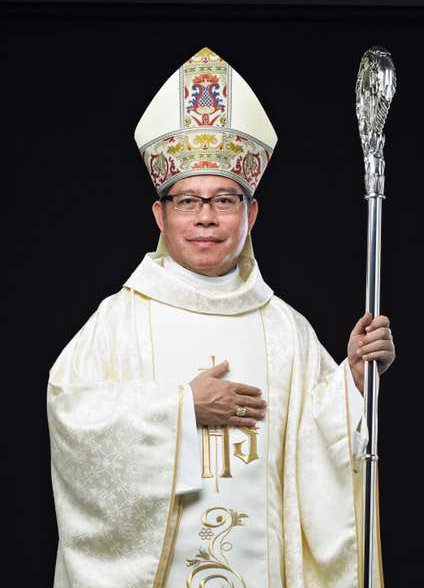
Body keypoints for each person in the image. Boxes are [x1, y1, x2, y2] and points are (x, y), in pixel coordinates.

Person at [47, 47, 395, 588]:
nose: (206, 217)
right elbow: (73, 419)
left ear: (251, 213)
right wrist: (181, 409)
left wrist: (351, 379)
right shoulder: (120, 321)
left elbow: (316, 454)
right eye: (187, 201)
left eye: (225, 200)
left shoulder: (284, 330)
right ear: (160, 215)